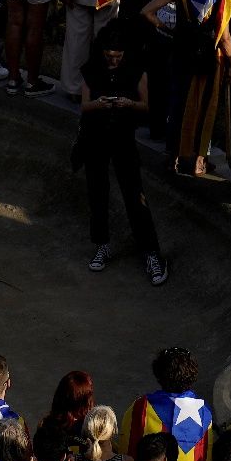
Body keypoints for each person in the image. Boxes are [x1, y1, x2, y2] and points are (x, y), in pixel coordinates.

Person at [78, 25, 164, 284]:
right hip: (96, 137)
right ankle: (102, 244)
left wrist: (129, 104)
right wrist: (99, 103)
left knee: (134, 193)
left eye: (118, 56)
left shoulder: (137, 71)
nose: (113, 61)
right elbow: (84, 105)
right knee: (97, 191)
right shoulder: (92, 69)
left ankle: (151, 252)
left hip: (123, 138)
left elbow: (146, 105)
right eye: (109, 56)